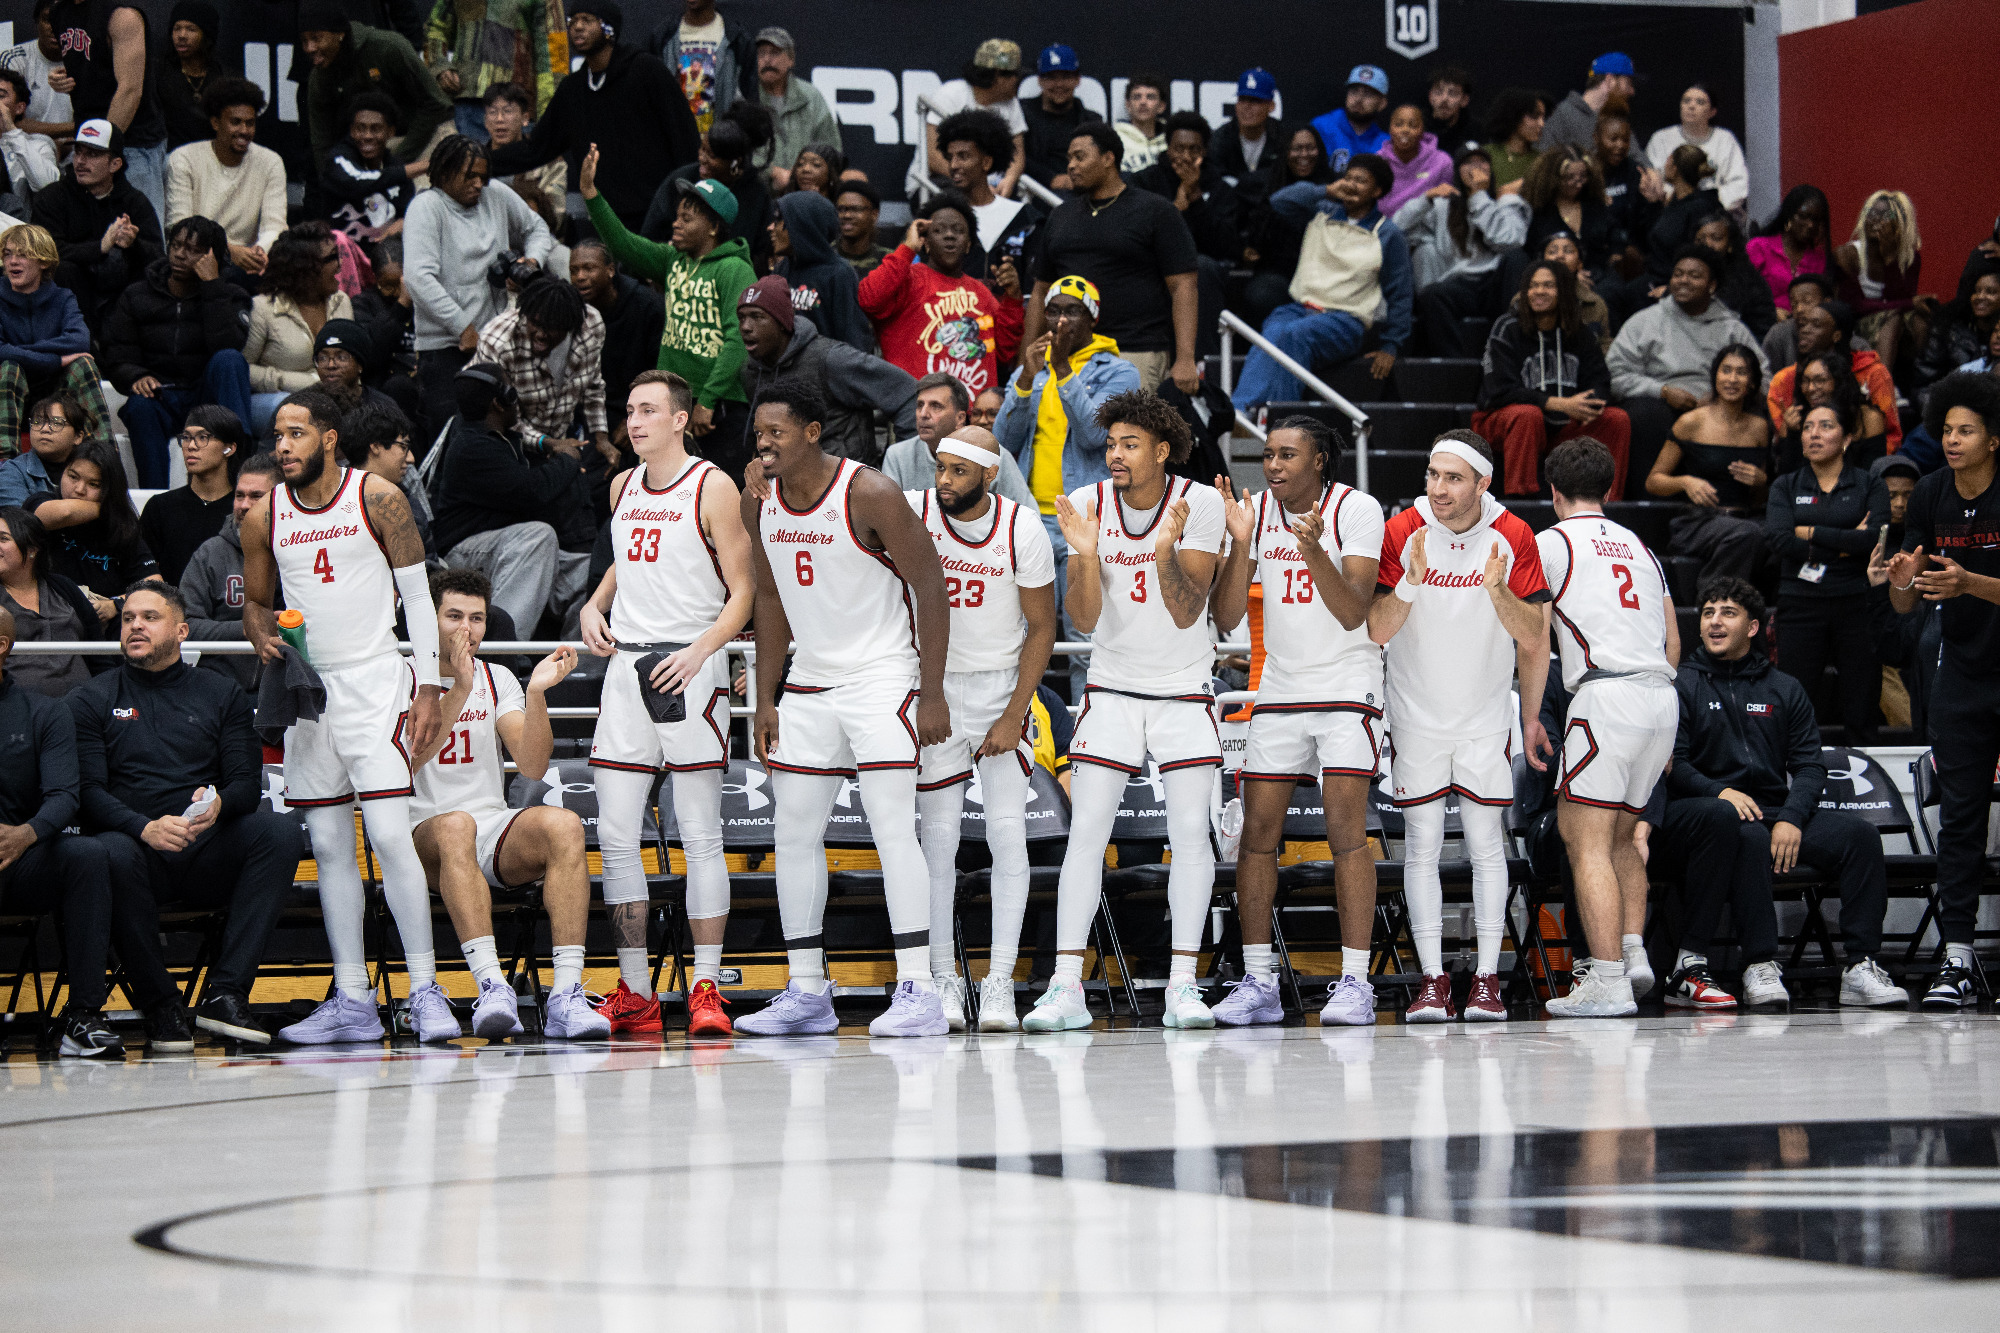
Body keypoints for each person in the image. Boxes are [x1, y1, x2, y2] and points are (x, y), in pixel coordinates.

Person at [735, 376, 954, 1038]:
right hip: (809, 684)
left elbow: (931, 585)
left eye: (776, 432)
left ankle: (918, 986)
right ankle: (808, 991)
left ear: (810, 433)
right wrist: (767, 695)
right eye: (758, 434)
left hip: (882, 677)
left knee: (892, 827)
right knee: (794, 834)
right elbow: (768, 601)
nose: (763, 444)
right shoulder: (759, 503)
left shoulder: (870, 491)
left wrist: (934, 687)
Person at [240, 387, 449, 1044]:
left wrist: (429, 685)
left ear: (328, 437)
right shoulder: (262, 514)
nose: (283, 446)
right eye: (277, 435)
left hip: (376, 680)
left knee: (388, 836)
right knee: (329, 846)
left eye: (295, 433)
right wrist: (259, 634)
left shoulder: (378, 497)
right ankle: (354, 998)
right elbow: (255, 603)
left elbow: (419, 598)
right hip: (308, 691)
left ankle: (425, 990)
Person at [1018, 390, 1222, 1030]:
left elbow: (1189, 609)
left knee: (1191, 836)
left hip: (1184, 688)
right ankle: (1065, 988)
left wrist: (1163, 548)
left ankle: (1184, 986)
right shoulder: (1085, 505)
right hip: (1110, 687)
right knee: (1085, 837)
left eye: (1129, 444)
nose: (1114, 455)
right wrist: (1083, 553)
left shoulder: (1200, 504)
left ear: (1162, 451)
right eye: (1110, 444)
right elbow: (1081, 618)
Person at [574, 370, 752, 1034]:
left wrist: (704, 650)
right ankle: (637, 989)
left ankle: (706, 986)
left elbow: (743, 588)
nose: (634, 420)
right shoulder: (622, 485)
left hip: (689, 664)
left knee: (699, 832)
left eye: (648, 409)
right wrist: (594, 604)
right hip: (626, 667)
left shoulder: (713, 484)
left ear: (681, 419)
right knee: (617, 835)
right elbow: (629, 558)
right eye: (629, 409)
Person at [1208, 417, 1384, 1026]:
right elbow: (1227, 616)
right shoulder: (1254, 513)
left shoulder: (1357, 510)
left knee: (1346, 835)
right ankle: (1259, 979)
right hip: (1280, 685)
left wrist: (1312, 552)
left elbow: (1352, 611)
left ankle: (1356, 982)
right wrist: (1237, 543)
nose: (1274, 465)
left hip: (1345, 682)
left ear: (1321, 461)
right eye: (1268, 455)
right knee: (1257, 837)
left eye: (1288, 455)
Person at [72, 580, 301, 1047]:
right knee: (107, 851)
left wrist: (217, 807)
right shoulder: (91, 698)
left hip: (205, 848)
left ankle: (226, 993)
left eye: (149, 617)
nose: (135, 625)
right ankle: (161, 1005)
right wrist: (145, 827)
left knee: (278, 832)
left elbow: (242, 781)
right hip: (134, 854)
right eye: (128, 618)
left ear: (181, 631)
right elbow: (87, 792)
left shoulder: (221, 692)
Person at [1370, 432, 1550, 1020]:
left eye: (1452, 478)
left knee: (1486, 847)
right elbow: (1377, 629)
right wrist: (1410, 581)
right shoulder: (1402, 531)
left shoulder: (1515, 535)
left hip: (1484, 716)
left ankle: (1488, 981)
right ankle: (1431, 980)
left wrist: (1498, 589)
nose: (1438, 489)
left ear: (1482, 484)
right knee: (1420, 847)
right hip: (1416, 713)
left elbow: (1533, 636)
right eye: (1432, 475)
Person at [404, 568, 605, 1038]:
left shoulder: (497, 679)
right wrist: (457, 689)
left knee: (565, 824)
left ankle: (566, 995)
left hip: (488, 828)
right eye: (453, 616)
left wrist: (536, 693)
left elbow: (533, 766)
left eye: (476, 618)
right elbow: (404, 766)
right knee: (455, 825)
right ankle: (493, 986)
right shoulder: (402, 676)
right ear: (428, 621)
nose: (466, 629)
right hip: (419, 832)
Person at [904, 427, 1057, 1031]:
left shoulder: (1022, 528)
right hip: (933, 687)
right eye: (939, 468)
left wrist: (1015, 711)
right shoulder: (916, 512)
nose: (943, 481)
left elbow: (1042, 627)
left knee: (1007, 838)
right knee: (937, 844)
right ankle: (944, 978)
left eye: (958, 473)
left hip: (1000, 688)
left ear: (989, 476)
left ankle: (999, 983)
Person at [1535, 439, 1681, 1017]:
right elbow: (1673, 642)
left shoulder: (1552, 541)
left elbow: (1533, 631)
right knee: (1625, 837)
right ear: (1610, 488)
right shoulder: (1642, 547)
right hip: (1661, 696)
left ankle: (1606, 980)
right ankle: (1632, 951)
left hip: (1605, 694)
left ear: (1553, 491)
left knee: (1584, 838)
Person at [1888, 373, 2000, 1007]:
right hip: (1960, 671)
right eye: (1947, 430)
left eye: (1966, 431)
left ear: (1993, 438)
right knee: (1960, 817)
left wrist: (1971, 585)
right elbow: (1909, 603)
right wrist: (1903, 581)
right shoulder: (1930, 493)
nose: (1952, 440)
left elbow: (1964, 583)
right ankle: (1957, 956)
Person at [583, 146, 755, 479]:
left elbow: (737, 339)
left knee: (718, 494)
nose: (674, 224)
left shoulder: (735, 269)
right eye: (677, 216)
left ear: (713, 228)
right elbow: (623, 244)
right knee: (667, 494)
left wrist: (707, 400)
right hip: (673, 402)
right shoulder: (672, 260)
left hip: (717, 410)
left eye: (686, 218)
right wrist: (591, 195)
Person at [995, 276, 1139, 663]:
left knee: (1084, 640)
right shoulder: (1034, 364)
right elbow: (1002, 440)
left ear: (1092, 319)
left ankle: (1086, 722)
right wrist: (1026, 378)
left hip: (1086, 520)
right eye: (1053, 311)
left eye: (1072, 311)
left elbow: (1096, 434)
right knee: (1021, 637)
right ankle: (1026, 722)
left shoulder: (1120, 372)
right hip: (1029, 518)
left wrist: (1062, 370)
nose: (1060, 320)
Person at [0, 606, 120, 1055]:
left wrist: (25, 834)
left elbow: (65, 795)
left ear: (2, 647)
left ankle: (83, 1017)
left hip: (22, 856)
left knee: (87, 855)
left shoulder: (42, 712)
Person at [486, 3, 701, 235]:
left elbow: (684, 137)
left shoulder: (646, 71)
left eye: (587, 20)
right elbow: (536, 148)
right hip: (608, 221)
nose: (577, 27)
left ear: (609, 29)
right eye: (572, 21)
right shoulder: (573, 90)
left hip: (659, 217)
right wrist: (479, 160)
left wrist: (685, 201)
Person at [1027, 123, 1200, 396]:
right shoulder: (1060, 215)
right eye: (1069, 158)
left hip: (1134, 350)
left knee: (1127, 437)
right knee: (1061, 438)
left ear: (1109, 158)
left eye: (1080, 157)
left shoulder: (1156, 211)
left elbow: (1184, 286)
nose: (1071, 166)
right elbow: (1040, 292)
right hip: (1067, 351)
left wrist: (1186, 358)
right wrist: (1027, 356)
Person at [1231, 153, 1412, 408]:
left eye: (1361, 181)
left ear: (1378, 190)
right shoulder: (1321, 212)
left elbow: (1401, 293)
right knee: (1272, 332)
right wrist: (1326, 190)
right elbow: (1280, 201)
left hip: (1346, 320)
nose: (1351, 184)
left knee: (1294, 336)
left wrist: (1391, 345)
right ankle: (1245, 413)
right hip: (1299, 308)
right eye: (1348, 177)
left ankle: (1267, 418)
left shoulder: (1387, 233)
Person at [404, 134, 553, 440]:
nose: (478, 184)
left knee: (499, 433)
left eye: (483, 177)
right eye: (469, 176)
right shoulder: (426, 206)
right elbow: (419, 278)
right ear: (444, 173)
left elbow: (537, 227)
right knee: (451, 436)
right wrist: (463, 327)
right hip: (445, 347)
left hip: (496, 343)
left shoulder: (495, 193)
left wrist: (532, 261)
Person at [1765, 391, 1890, 744]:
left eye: (1825, 426)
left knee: (1862, 701)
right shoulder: (1786, 485)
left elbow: (1872, 542)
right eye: (1807, 427)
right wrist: (1846, 540)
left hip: (1856, 601)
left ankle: (1866, 787)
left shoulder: (1870, 484)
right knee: (1795, 700)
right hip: (1800, 600)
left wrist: (1811, 533)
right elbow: (1778, 541)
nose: (1813, 434)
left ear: (1847, 438)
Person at [432, 362, 588, 634]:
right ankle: (502, 655)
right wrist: (568, 458)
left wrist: (549, 444)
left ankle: (578, 669)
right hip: (464, 550)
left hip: (506, 547)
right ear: (500, 402)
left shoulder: (492, 435)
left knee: (593, 572)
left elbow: (521, 444)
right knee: (538, 536)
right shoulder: (472, 446)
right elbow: (534, 491)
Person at [100, 213, 252, 487]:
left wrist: (211, 287)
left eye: (194, 250)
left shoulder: (230, 295)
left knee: (229, 359)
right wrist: (135, 375)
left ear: (213, 258)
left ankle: (239, 472)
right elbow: (117, 353)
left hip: (205, 398)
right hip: (161, 396)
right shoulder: (136, 295)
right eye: (177, 246)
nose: (181, 255)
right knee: (139, 407)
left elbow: (227, 345)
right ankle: (153, 497)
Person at [1608, 244, 1765, 484]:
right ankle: (1649, 504)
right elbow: (1615, 375)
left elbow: (1763, 375)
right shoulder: (1644, 321)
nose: (1683, 281)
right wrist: (1663, 391)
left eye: (1694, 276)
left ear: (1712, 285)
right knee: (1645, 415)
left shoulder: (1732, 328)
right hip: (1658, 405)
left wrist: (1720, 397)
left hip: (1720, 405)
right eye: (1678, 274)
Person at [1473, 259, 1630, 498]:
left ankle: (1608, 504)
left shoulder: (1580, 333)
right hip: (1502, 422)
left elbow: (1601, 381)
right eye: (1533, 286)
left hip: (1561, 425)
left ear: (1564, 291)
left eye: (1548, 285)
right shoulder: (1507, 328)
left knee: (1616, 419)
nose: (1539, 291)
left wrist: (1588, 403)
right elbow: (1499, 390)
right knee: (1528, 415)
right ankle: (1522, 503)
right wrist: (1559, 404)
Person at [860, 189, 1023, 402]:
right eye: (939, 230)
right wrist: (907, 248)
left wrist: (1013, 299)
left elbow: (1003, 353)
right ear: (924, 241)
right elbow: (869, 298)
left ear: (968, 245)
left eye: (958, 230)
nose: (949, 235)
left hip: (971, 418)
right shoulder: (907, 278)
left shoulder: (981, 293)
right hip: (916, 412)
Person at [736, 274, 916, 467]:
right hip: (791, 487)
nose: (745, 327)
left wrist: (904, 463)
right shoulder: (750, 372)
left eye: (757, 317)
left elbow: (908, 393)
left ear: (782, 323)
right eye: (741, 318)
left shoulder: (831, 360)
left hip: (848, 484)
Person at [1648, 344, 1771, 581]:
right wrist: (1685, 482)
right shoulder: (1691, 422)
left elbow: (1758, 499)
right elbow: (1654, 481)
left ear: (1753, 383)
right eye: (1726, 370)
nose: (1732, 379)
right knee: (1748, 534)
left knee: (1771, 535)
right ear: (1715, 377)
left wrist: (1761, 482)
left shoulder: (1759, 428)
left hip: (1744, 517)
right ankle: (1713, 599)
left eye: (1741, 372)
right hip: (1699, 522)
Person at [30, 118, 162, 334]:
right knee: (63, 269)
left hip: (120, 295)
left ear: (115, 164)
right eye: (79, 152)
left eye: (92, 154)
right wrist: (100, 247)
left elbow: (159, 260)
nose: (80, 161)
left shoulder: (135, 202)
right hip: (71, 294)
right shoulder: (51, 198)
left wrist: (134, 244)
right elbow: (44, 252)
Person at [1396, 146, 1529, 357]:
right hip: (1461, 284)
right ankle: (1455, 366)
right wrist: (1425, 199)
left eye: (1482, 162)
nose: (1476, 167)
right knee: (1432, 294)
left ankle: (1513, 349)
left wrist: (1479, 196)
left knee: (1517, 258)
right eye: (1469, 163)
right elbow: (1397, 230)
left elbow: (1507, 241)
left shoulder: (1505, 203)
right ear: (1458, 171)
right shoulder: (1442, 206)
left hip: (1496, 283)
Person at [473, 272, 614, 471]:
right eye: (535, 324)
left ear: (569, 327)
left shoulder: (590, 325)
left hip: (560, 438)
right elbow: (497, 415)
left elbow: (593, 385)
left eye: (550, 328)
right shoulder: (499, 342)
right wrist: (548, 443)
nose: (540, 334)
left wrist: (601, 438)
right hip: (506, 446)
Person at [48, 0, 168, 221]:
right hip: (89, 140)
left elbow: (130, 90)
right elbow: (92, 61)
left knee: (140, 236)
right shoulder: (59, 11)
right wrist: (59, 78)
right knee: (96, 237)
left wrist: (102, 150)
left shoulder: (122, 15)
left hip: (132, 143)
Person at [299, 3, 451, 174]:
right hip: (371, 148)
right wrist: (335, 181)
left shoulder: (389, 47)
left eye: (316, 38)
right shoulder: (319, 78)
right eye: (304, 41)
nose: (309, 48)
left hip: (423, 137)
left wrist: (396, 163)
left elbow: (437, 105)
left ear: (339, 34)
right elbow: (322, 144)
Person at [0, 222, 108, 455]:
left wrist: (17, 350)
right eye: (8, 254)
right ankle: (4, 464)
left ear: (44, 261)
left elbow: (79, 341)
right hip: (6, 390)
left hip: (53, 393)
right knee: (9, 368)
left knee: (84, 366)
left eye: (23, 255)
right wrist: (54, 361)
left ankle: (102, 459)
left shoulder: (62, 297)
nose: (12, 262)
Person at [245, 222, 358, 435]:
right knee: (298, 411)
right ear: (306, 268)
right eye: (332, 258)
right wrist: (297, 382)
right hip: (275, 400)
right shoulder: (263, 308)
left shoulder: (341, 302)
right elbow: (244, 368)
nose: (340, 265)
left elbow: (352, 358)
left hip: (334, 400)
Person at [164, 78, 283, 277]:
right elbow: (179, 225)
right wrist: (227, 251)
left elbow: (275, 226)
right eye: (236, 122)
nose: (244, 131)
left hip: (248, 264)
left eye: (250, 123)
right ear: (215, 123)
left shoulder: (271, 162)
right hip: (194, 261)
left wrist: (258, 253)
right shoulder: (183, 159)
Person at [179, 452, 279, 689]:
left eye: (256, 496)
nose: (244, 505)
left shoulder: (302, 551)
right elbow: (183, 625)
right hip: (219, 689)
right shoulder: (210, 553)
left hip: (285, 686)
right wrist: (247, 628)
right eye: (239, 496)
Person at [641, 99, 775, 272]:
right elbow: (649, 238)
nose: (702, 159)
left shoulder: (757, 194)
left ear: (735, 161)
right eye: (702, 150)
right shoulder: (681, 179)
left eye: (712, 155)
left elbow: (762, 254)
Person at [28, 437, 155, 612]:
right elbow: (64, 513)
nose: (79, 489)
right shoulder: (42, 501)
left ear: (109, 488)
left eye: (93, 484)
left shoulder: (121, 527)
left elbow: (152, 584)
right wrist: (109, 507)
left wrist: (116, 604)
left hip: (102, 620)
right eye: (73, 476)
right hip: (48, 614)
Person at [1767, 300, 1901, 460]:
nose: (1805, 330)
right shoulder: (1784, 379)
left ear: (1837, 335)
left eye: (1815, 325)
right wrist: (1792, 432)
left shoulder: (1873, 373)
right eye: (1803, 325)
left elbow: (1891, 438)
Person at [885, 371, 1034, 505]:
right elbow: (887, 516)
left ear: (960, 418)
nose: (923, 414)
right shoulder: (897, 456)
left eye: (936, 406)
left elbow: (1027, 515)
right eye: (920, 405)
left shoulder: (993, 457)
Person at [569, 238, 663, 449]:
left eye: (588, 268)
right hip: (591, 409)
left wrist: (637, 418)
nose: (580, 277)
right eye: (574, 270)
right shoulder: (572, 307)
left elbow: (659, 370)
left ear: (610, 270)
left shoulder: (646, 305)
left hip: (636, 409)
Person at [1238, 125, 1335, 328]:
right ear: (1285, 152)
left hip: (1327, 275)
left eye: (1310, 148)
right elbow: (1255, 240)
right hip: (1279, 274)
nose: (1304, 154)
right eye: (1296, 149)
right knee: (1261, 294)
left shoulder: (1335, 186)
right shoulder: (1268, 186)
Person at [936, 107, 1043, 286]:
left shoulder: (1026, 219)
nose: (953, 165)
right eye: (950, 157)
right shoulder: (936, 217)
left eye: (963, 156)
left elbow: (1035, 289)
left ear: (986, 162)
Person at [420, 0, 554, 143]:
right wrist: (440, 65)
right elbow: (435, 26)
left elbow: (551, 51)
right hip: (467, 99)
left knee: (513, 163)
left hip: (516, 103)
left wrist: (548, 118)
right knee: (469, 162)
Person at [0, 506, 100, 696]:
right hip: (18, 710)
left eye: (3, 538)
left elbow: (98, 652)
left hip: (83, 704)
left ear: (32, 549)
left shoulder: (63, 587)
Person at [910, 39, 1026, 201]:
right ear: (990, 75)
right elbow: (934, 158)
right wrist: (978, 184)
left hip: (993, 187)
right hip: (940, 181)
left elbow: (1017, 155)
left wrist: (1009, 179)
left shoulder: (1011, 103)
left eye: (1018, 74)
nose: (1017, 80)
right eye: (1012, 74)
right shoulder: (951, 94)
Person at [137, 403, 240, 583]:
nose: (191, 446)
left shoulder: (242, 508)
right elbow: (141, 570)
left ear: (229, 448)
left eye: (202, 437)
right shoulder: (160, 507)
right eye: (186, 437)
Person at [318, 89, 424, 246]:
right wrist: (419, 167)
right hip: (341, 255)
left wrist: (403, 222)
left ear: (390, 132)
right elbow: (357, 180)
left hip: (385, 259)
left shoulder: (395, 166)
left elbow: (407, 211)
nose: (367, 136)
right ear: (352, 130)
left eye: (376, 129)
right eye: (360, 128)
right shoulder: (338, 159)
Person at [769, 190, 869, 351]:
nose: (771, 227)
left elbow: (853, 342)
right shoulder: (782, 269)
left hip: (824, 372)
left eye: (780, 219)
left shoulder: (838, 274)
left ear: (802, 225)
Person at [650, 0, 755, 134]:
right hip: (675, 144)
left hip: (721, 146)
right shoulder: (662, 38)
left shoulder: (737, 40)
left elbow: (750, 103)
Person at [752, 27, 836, 192]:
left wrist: (810, 178)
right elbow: (733, 154)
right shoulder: (745, 98)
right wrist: (772, 172)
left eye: (775, 53)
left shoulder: (811, 97)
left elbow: (831, 151)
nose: (767, 60)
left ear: (791, 59)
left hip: (806, 193)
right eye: (761, 54)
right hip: (757, 193)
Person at [1643, 85, 1747, 215]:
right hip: (1672, 210)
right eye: (1686, 101)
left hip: (1716, 213)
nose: (1691, 106)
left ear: (1712, 112)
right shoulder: (1661, 139)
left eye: (1700, 102)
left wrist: (1707, 205)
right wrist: (1682, 203)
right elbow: (1653, 178)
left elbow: (1739, 183)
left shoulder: (1725, 139)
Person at [1522, 145, 1620, 281]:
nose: (1578, 184)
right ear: (1553, 179)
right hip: (1556, 280)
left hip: (1599, 277)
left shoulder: (1594, 205)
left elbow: (1614, 231)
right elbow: (1534, 256)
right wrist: (1570, 276)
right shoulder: (1540, 214)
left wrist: (1616, 253)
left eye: (1583, 176)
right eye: (1569, 177)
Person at [1591, 111, 1662, 279]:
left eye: (1625, 140)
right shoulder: (1585, 173)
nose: (1620, 145)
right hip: (1597, 255)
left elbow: (1648, 224)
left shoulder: (1635, 172)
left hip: (1633, 253)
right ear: (1596, 138)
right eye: (1613, 139)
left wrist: (1653, 203)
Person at [480, 81, 565, 218]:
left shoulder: (548, 161)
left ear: (525, 119)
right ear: (485, 120)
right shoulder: (475, 161)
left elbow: (556, 215)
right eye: (493, 112)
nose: (499, 119)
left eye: (507, 111)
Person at [0, 388, 93, 513]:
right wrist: (101, 508)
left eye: (56, 423)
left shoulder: (94, 469)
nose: (44, 429)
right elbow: (20, 523)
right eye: (37, 422)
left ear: (78, 437)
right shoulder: (12, 470)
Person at [1746, 184, 1833, 314]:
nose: (1810, 225)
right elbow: (1742, 293)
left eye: (1816, 220)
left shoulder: (1819, 259)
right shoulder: (1759, 247)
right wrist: (1771, 312)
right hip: (1761, 322)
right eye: (1803, 216)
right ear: (1789, 215)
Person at [1021, 44, 1097, 192]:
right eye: (1051, 78)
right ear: (1040, 81)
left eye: (1066, 77)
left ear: (1077, 80)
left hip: (1081, 194)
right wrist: (1050, 178)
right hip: (1034, 193)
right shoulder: (1022, 114)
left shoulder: (1091, 121)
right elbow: (1015, 157)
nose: (1059, 84)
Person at [1693, 211, 1777, 341]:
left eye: (1716, 238)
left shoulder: (1748, 280)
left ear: (1730, 245)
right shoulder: (1685, 276)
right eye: (1700, 240)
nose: (1708, 245)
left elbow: (1761, 329)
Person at [1644, 145, 1722, 285]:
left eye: (1668, 161)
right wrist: (1653, 204)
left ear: (1674, 169)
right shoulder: (1674, 202)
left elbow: (1696, 254)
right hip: (1655, 275)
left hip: (1675, 282)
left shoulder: (1700, 207)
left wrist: (1668, 288)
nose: (1664, 167)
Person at [1, 2, 76, 145]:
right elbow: (9, 121)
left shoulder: (86, 60)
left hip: (77, 154)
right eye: (48, 19)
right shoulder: (14, 59)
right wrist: (76, 127)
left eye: (62, 19)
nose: (54, 26)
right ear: (37, 22)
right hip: (24, 152)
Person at [1913, 270, 1999, 393]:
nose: (1980, 297)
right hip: (1950, 404)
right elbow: (1924, 385)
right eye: (1976, 291)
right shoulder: (1947, 330)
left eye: (1990, 292)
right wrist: (1943, 410)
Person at [154, 2, 225, 150]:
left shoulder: (221, 75)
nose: (182, 35)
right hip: (168, 158)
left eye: (191, 29)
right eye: (177, 28)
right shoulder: (158, 72)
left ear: (206, 34)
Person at [1541, 52, 1635, 153]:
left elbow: (1641, 162)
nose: (1632, 91)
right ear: (1610, 80)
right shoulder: (1563, 116)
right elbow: (1542, 162)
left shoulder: (1616, 120)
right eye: (1628, 83)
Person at [1211, 67, 1286, 190]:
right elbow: (1215, 181)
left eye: (1255, 101)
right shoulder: (1220, 138)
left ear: (1271, 106)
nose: (1247, 106)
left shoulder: (1283, 138)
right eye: (1242, 100)